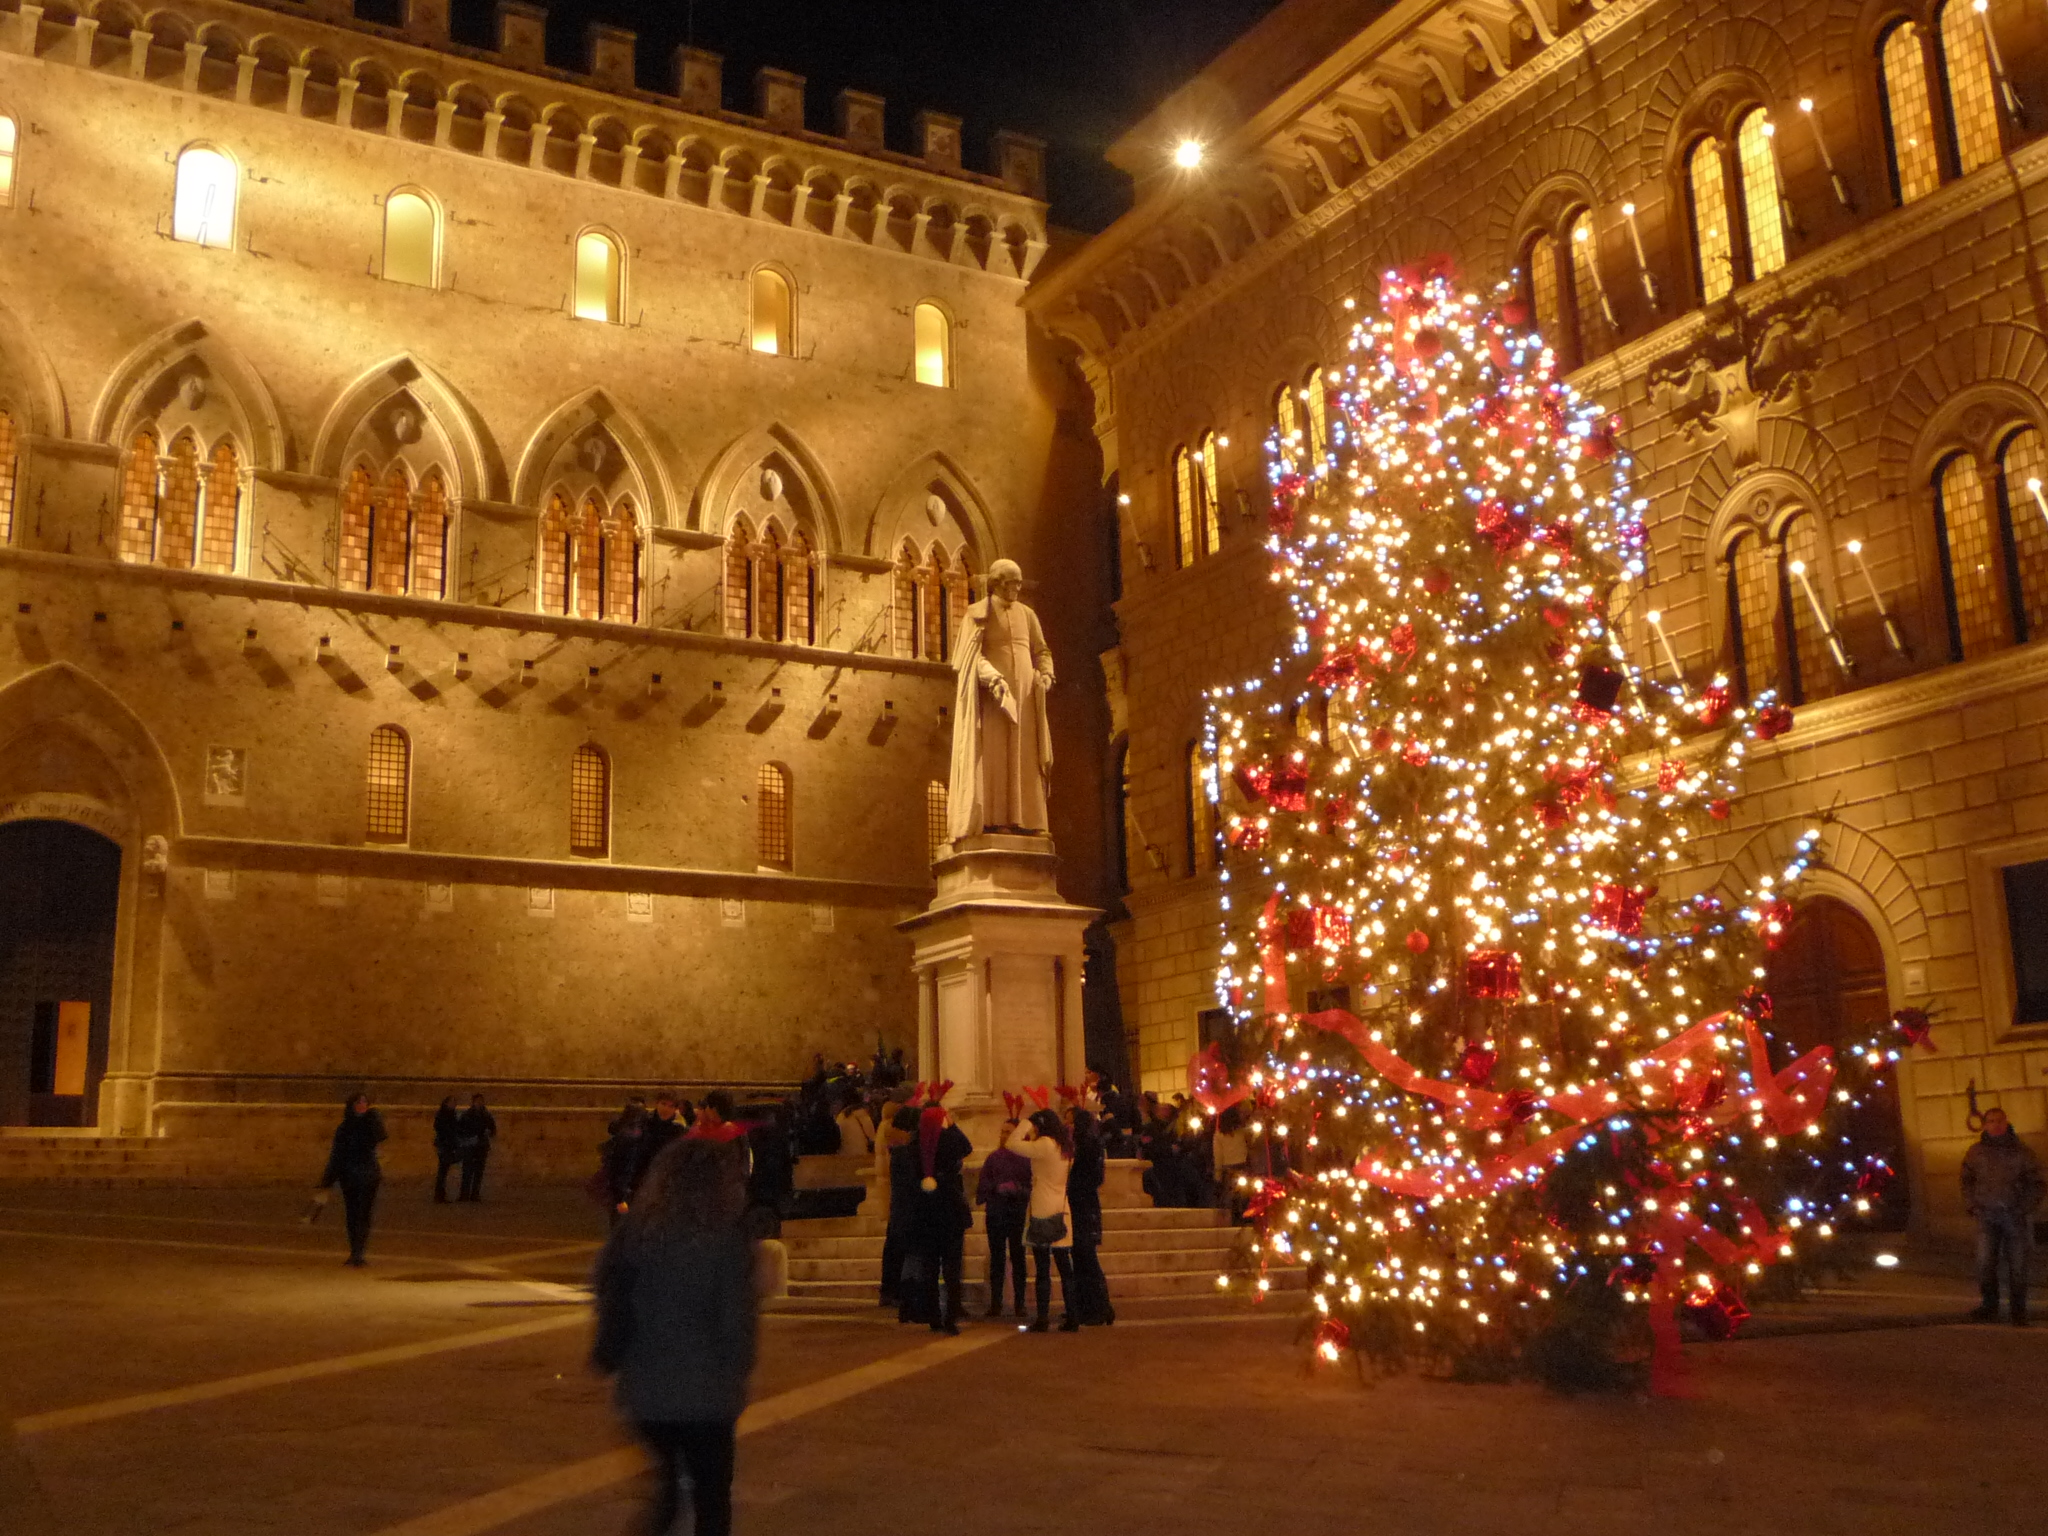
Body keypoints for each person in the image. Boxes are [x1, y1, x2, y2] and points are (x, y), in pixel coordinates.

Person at [591, 1137, 758, 1536]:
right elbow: (736, 1326)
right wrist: (737, 1371)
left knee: (666, 1495)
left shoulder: (635, 1232)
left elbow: (606, 1291)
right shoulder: (725, 1238)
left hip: (646, 1394)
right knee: (712, 1501)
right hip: (707, 1395)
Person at [1962, 1106, 2043, 1325]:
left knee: (2017, 1265)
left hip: (2014, 1216)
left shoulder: (2021, 1152)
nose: (1996, 1124)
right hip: (1987, 1215)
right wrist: (1973, 1206)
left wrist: (2024, 1208)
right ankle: (1990, 1306)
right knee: (1985, 1263)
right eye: (1991, 1121)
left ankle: (2018, 1311)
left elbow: (2036, 1183)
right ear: (1985, 1125)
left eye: (1999, 1120)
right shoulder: (1976, 1152)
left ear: (2006, 1123)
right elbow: (1967, 1179)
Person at [901, 1104, 973, 1333]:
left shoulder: (913, 1146)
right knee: (952, 1270)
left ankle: (934, 1317)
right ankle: (951, 1318)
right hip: (950, 1213)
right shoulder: (950, 1142)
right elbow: (967, 1147)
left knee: (929, 1270)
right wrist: (952, 1126)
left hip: (925, 1214)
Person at [1012, 1108, 1078, 1332]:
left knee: (1042, 1267)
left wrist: (1025, 1124)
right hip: (1062, 1208)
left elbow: (1013, 1143)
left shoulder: (1045, 1144)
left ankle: (1042, 1317)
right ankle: (1073, 1314)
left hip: (1043, 1207)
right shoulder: (1065, 1146)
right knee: (1064, 1266)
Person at [317, 1092, 387, 1266]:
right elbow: (337, 1155)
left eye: (365, 1102)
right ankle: (354, 1250)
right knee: (352, 1214)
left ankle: (359, 1251)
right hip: (349, 1175)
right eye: (359, 1102)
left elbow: (381, 1135)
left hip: (368, 1175)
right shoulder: (344, 1128)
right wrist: (328, 1180)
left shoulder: (370, 1123)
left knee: (364, 1213)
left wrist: (374, 1115)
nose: (362, 1105)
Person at [975, 1119, 1031, 1319]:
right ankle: (996, 1303)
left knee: (1018, 1258)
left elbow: (1031, 1186)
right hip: (997, 1213)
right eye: (1002, 1132)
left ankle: (1020, 1303)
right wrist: (996, 1188)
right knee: (997, 1258)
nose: (1003, 1136)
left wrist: (1018, 1190)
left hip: (1016, 1213)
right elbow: (982, 1186)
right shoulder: (993, 1158)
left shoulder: (1025, 1158)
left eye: (1008, 1132)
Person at [1067, 1108, 1115, 1326]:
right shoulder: (1089, 1144)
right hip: (1082, 1203)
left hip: (1083, 1204)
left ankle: (1099, 1307)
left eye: (1069, 1121)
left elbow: (1088, 1176)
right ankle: (1086, 1305)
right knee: (1080, 1256)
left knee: (1086, 1257)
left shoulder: (1086, 1146)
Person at [875, 1105, 916, 1307]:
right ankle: (895, 1290)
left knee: (893, 1247)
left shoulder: (893, 1143)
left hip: (897, 1203)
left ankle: (889, 1289)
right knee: (900, 1249)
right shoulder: (904, 1148)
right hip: (904, 1205)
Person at [632, 1093, 689, 1200]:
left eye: (671, 1106)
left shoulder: (679, 1128)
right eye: (663, 1104)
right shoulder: (644, 1122)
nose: (666, 1109)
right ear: (656, 1104)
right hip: (643, 1172)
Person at [457, 1093, 497, 1202]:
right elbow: (460, 1130)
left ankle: (475, 1194)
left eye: (481, 1101)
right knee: (467, 1171)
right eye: (477, 1101)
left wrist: (489, 1132)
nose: (479, 1103)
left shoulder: (486, 1115)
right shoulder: (467, 1115)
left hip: (481, 1146)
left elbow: (493, 1129)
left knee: (478, 1172)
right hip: (470, 1146)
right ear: (473, 1102)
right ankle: (464, 1195)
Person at [431, 1094, 462, 1204]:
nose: (454, 1104)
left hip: (448, 1145)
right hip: (445, 1146)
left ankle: (440, 1194)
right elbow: (442, 1129)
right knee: (442, 1171)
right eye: (452, 1102)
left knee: (443, 1171)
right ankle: (439, 1195)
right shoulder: (444, 1115)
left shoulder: (451, 1114)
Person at [833, 1086, 876, 1158]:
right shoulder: (862, 1114)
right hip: (863, 1156)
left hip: (844, 1157)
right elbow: (872, 1138)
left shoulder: (841, 1116)